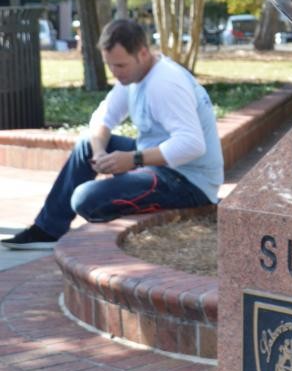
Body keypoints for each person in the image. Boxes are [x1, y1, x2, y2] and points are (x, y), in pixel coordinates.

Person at [2, 19, 224, 250]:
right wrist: (99, 151)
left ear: (143, 53)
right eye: (110, 65)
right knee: (87, 145)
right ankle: (47, 231)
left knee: (86, 199)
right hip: (158, 166)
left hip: (189, 183)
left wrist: (133, 159)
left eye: (120, 65)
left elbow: (192, 144)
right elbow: (103, 118)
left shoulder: (165, 83)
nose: (115, 73)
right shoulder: (134, 76)